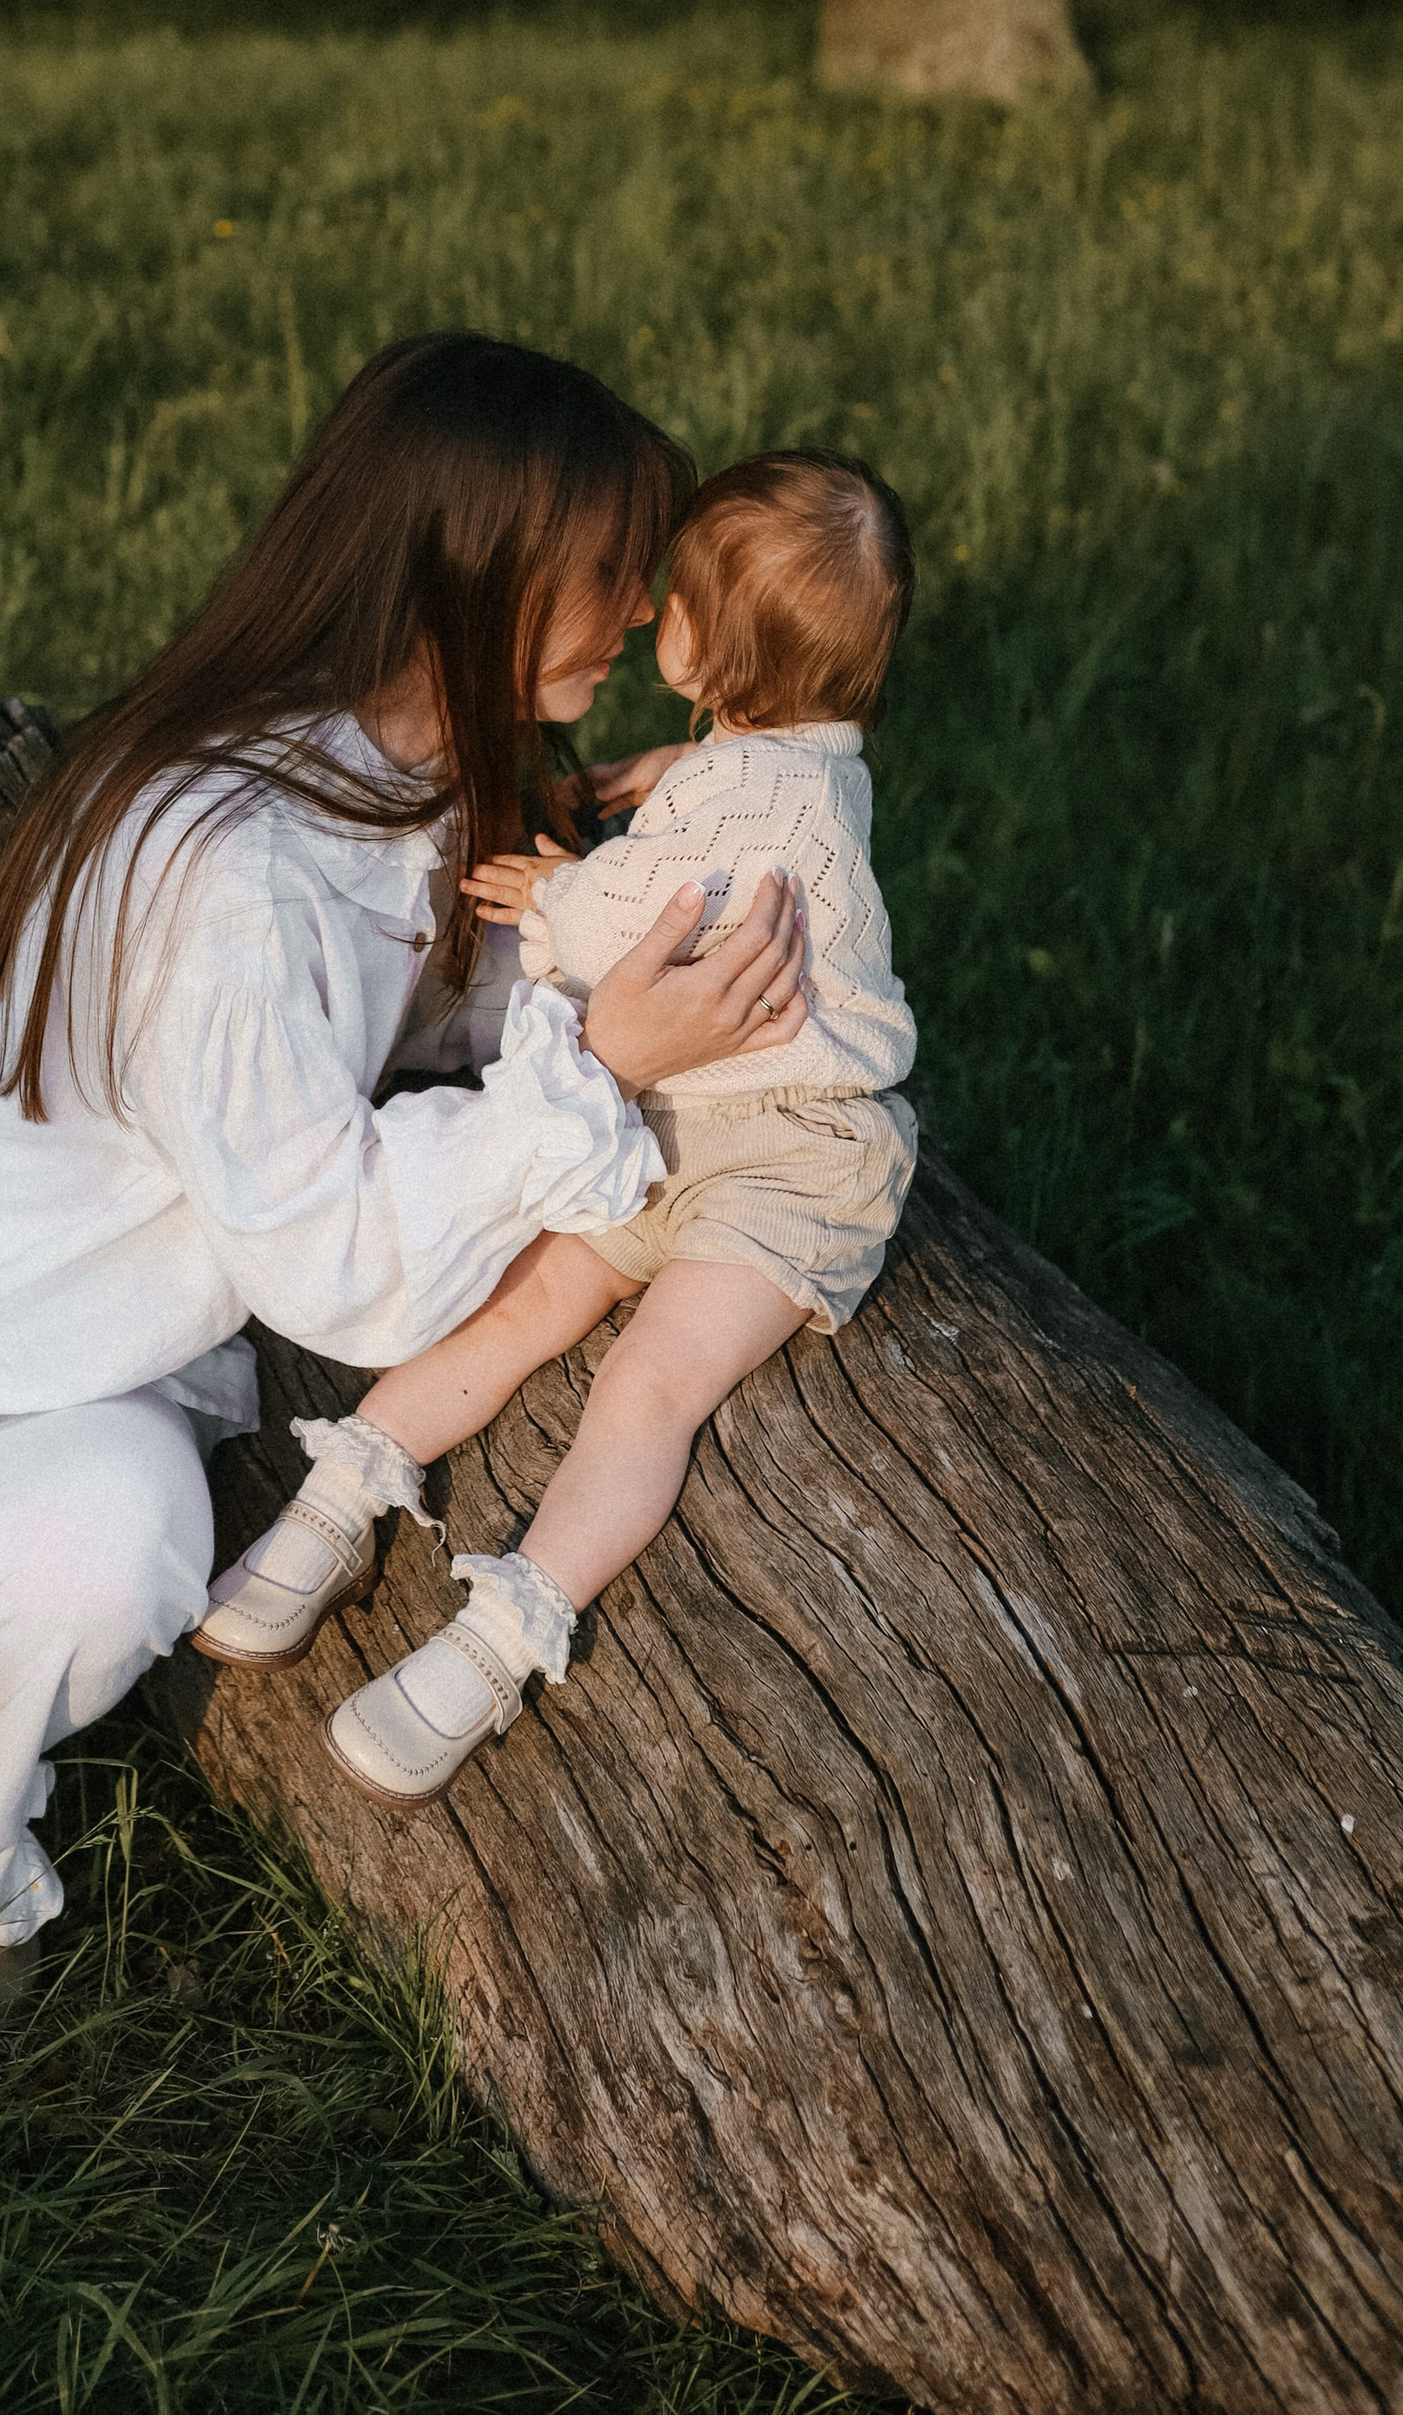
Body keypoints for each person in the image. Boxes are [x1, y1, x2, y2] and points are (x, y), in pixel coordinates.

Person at [0, 333, 812, 2011]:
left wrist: (662, 869)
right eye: (615, 572)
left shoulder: (401, 773)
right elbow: (335, 1257)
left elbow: (458, 1007)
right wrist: (596, 1077)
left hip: (82, 1356)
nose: (638, 608)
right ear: (484, 574)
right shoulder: (228, 864)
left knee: (122, 1554)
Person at [194, 449, 916, 1808]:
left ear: (714, 651)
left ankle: (498, 1629)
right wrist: (673, 772)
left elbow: (661, 920)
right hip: (666, 1115)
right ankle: (343, 1501)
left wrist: (563, 895)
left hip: (789, 1160)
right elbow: (758, 793)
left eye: (673, 601)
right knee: (528, 1300)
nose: (647, 614)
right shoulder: (795, 758)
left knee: (647, 1380)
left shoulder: (752, 802)